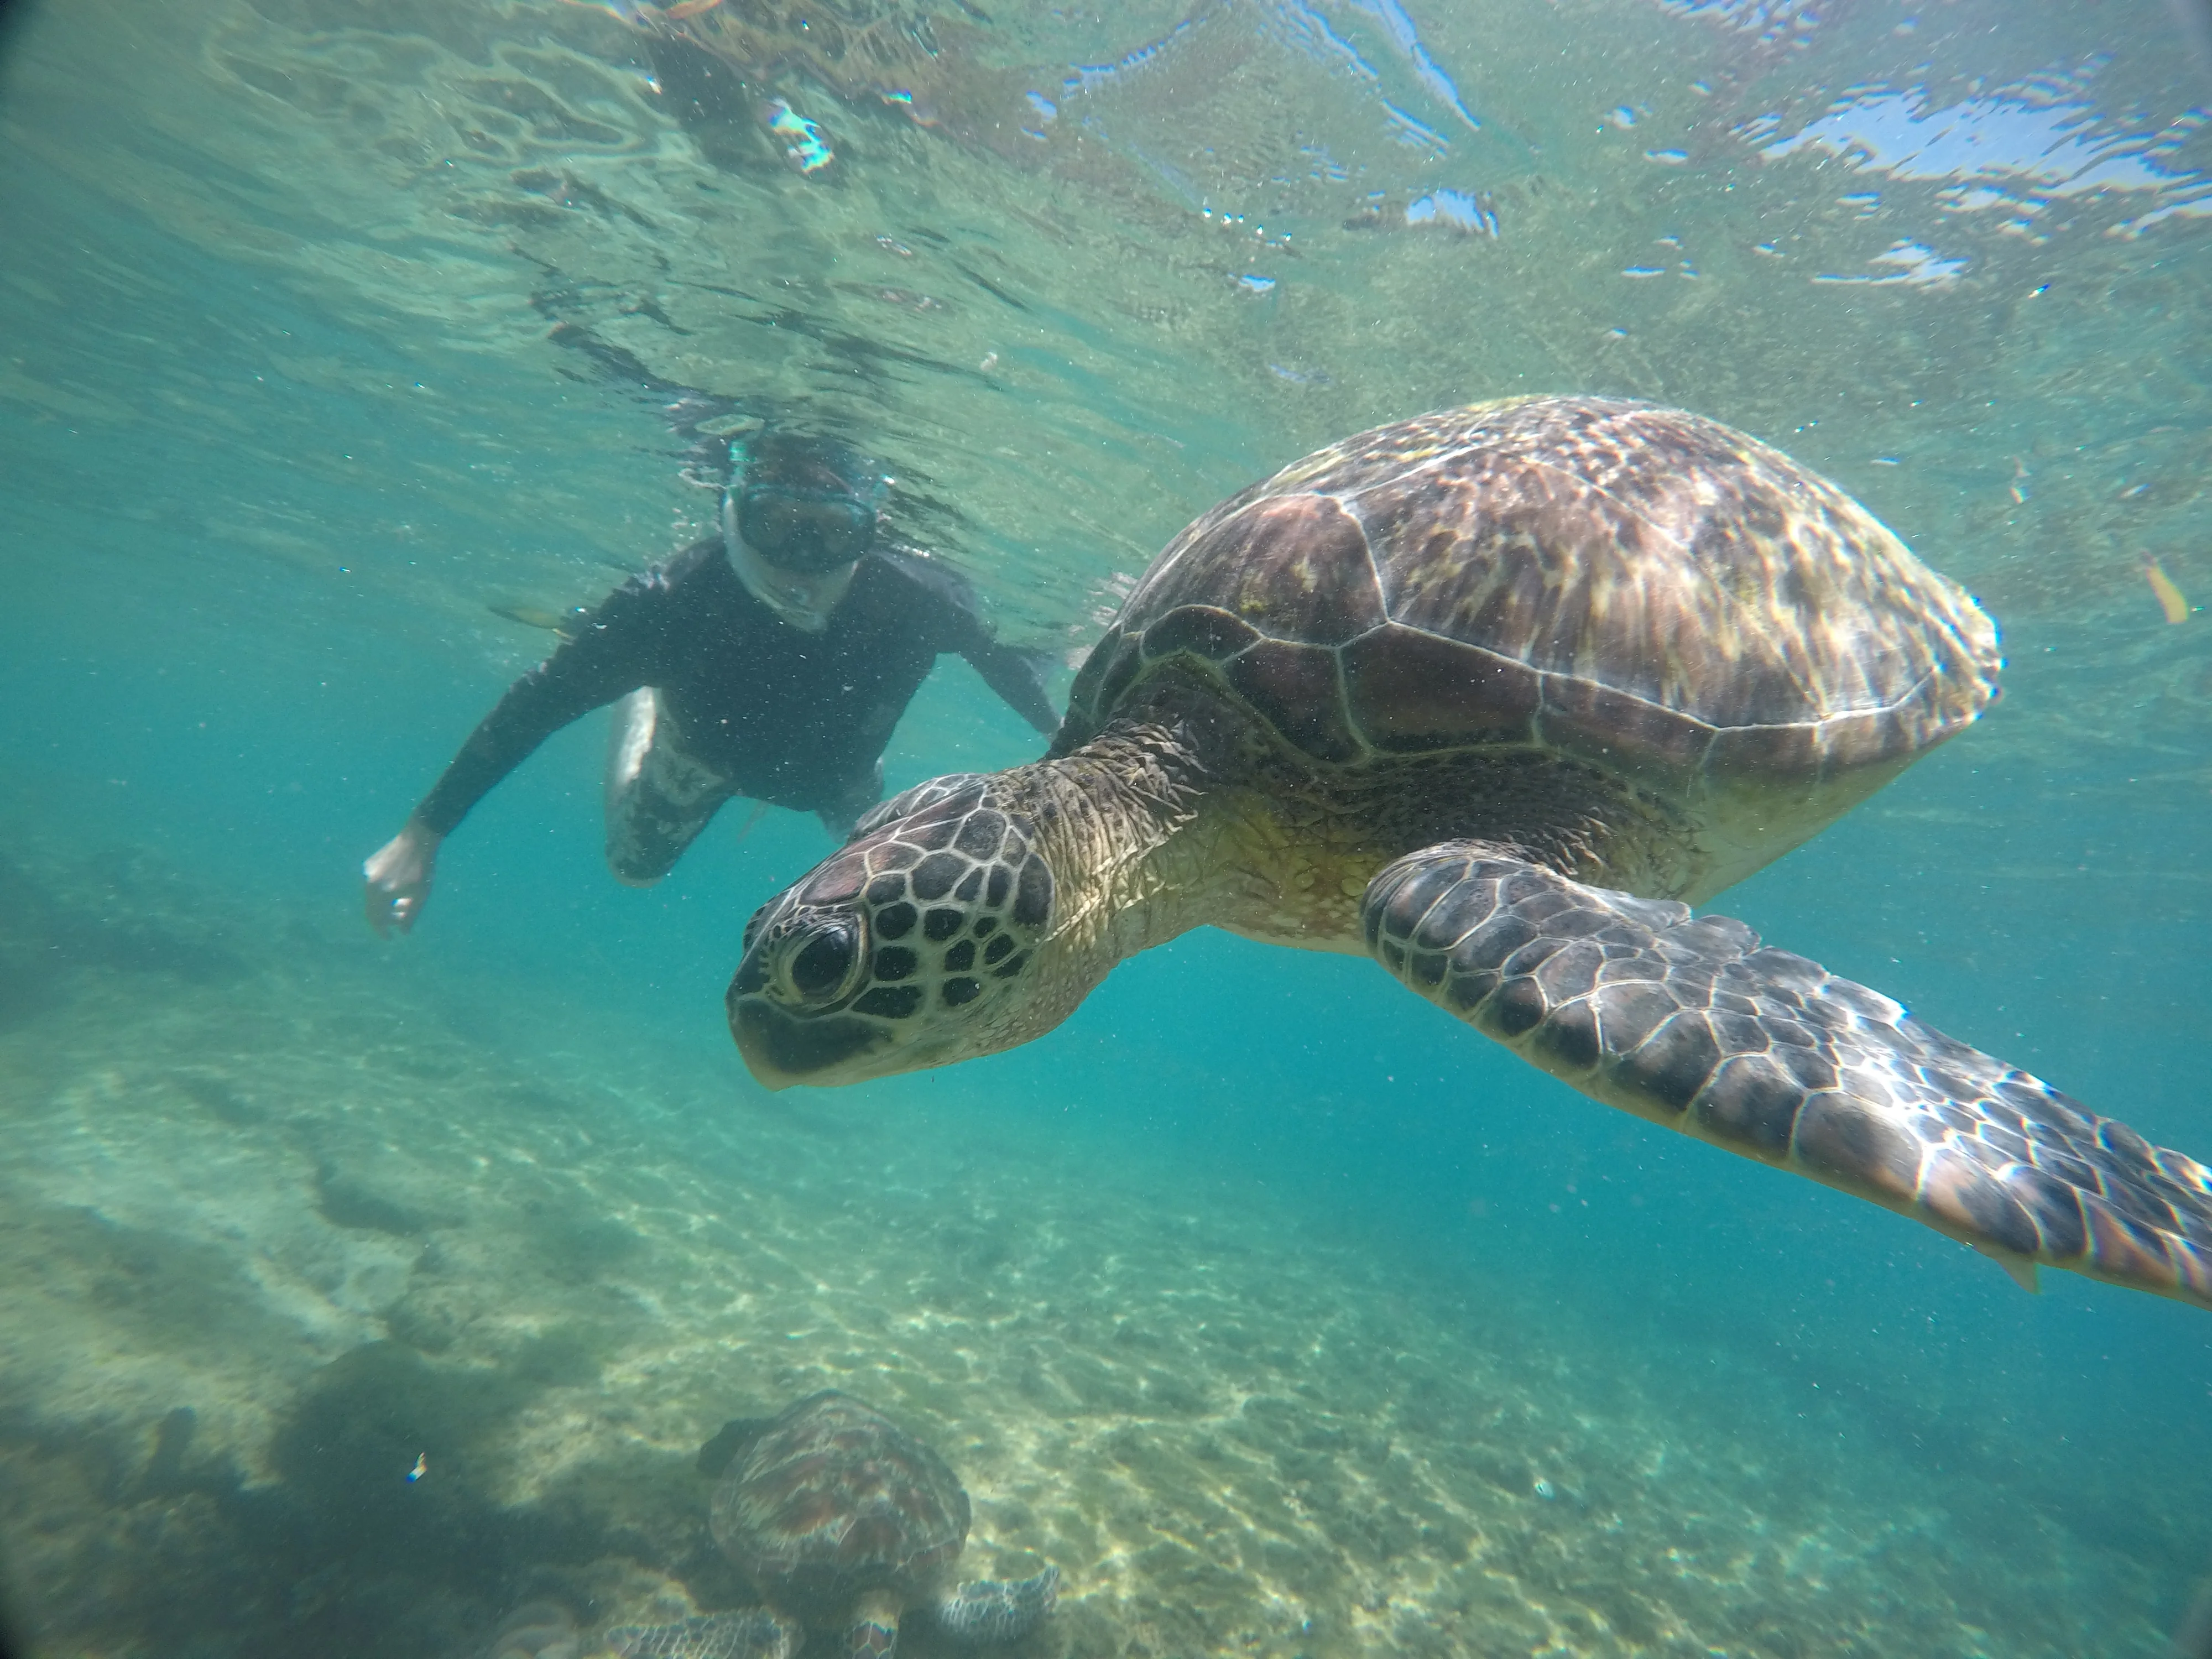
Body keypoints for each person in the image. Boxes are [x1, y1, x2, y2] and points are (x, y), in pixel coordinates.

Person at [363, 429, 1060, 935]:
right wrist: (424, 833)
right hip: (699, 753)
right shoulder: (667, 605)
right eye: (776, 525)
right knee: (633, 870)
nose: (802, 561)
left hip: (839, 774)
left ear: (867, 531)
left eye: (830, 531)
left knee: (890, 883)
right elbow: (537, 706)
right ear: (733, 516)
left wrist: (1069, 745)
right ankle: (639, 696)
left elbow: (1008, 666)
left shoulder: (921, 596)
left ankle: (646, 687)